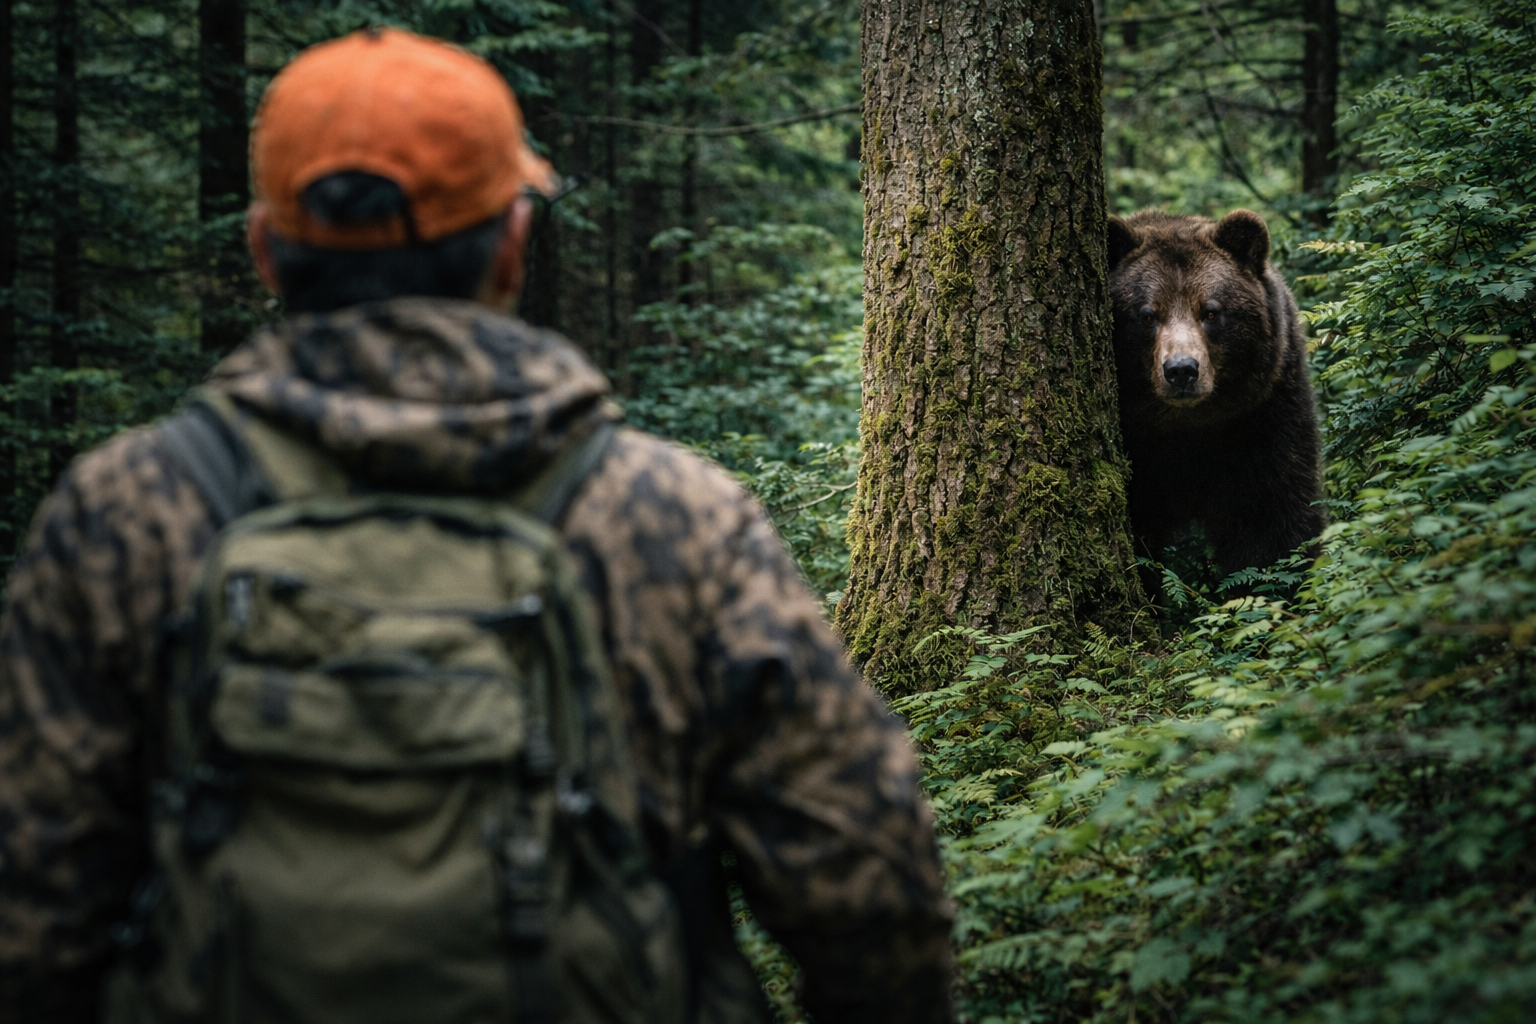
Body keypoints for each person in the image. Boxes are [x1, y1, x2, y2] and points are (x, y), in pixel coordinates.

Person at [0, 27, 953, 1024]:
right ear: (511, 243)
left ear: (265, 250)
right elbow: (871, 890)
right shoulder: (672, 516)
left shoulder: (125, 513)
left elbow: (32, 917)